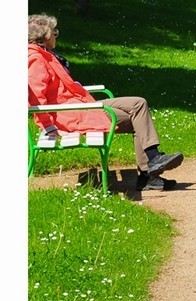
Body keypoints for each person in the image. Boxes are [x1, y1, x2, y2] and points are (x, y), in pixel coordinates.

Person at [28, 14, 184, 191]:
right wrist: (47, 125)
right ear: (45, 36)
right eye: (54, 32)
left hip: (80, 105)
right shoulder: (35, 58)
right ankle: (149, 172)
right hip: (71, 113)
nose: (56, 35)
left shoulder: (45, 55)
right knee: (139, 119)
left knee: (138, 103)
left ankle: (152, 163)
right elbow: (35, 98)